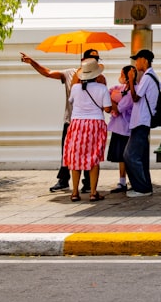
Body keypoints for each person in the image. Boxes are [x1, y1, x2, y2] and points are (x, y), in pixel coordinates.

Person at [20, 48, 106, 193]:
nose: (95, 62)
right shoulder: (70, 73)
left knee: (90, 154)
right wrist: (32, 62)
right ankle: (63, 179)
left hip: (91, 123)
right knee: (68, 152)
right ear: (83, 60)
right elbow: (47, 72)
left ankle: (88, 184)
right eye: (92, 59)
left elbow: (102, 102)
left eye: (97, 60)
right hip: (72, 121)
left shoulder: (100, 78)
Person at [63, 57, 112, 201]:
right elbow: (108, 108)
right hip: (95, 124)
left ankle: (74, 192)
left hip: (77, 124)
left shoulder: (76, 87)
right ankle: (93, 192)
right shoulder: (102, 88)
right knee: (93, 159)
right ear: (97, 74)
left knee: (75, 159)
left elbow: (71, 101)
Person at [124, 49, 161, 198]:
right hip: (143, 121)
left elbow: (135, 97)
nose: (136, 63)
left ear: (144, 60)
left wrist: (130, 79)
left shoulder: (148, 77)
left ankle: (142, 189)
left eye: (137, 59)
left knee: (130, 156)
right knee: (139, 157)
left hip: (141, 121)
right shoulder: (152, 77)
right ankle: (144, 186)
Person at [106, 65, 136, 193]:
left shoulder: (131, 92)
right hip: (118, 127)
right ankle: (122, 180)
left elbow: (118, 109)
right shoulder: (120, 88)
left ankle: (131, 180)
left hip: (126, 127)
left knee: (126, 156)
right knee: (120, 157)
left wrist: (109, 100)